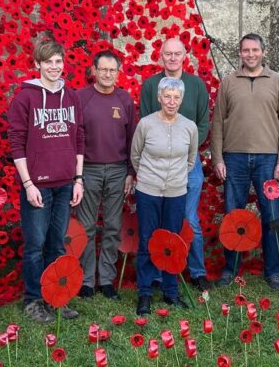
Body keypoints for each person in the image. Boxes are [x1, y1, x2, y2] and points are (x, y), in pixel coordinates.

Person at [8, 39, 84, 324]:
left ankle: (55, 297)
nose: (54, 67)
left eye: (58, 61)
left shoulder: (72, 97)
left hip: (65, 183)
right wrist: (28, 184)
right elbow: (16, 143)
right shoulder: (24, 98)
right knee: (35, 244)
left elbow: (78, 138)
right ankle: (33, 300)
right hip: (37, 184)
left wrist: (78, 179)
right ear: (37, 65)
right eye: (48, 62)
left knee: (56, 244)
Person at [211, 33, 279, 289]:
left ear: (263, 52)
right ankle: (230, 268)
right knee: (233, 216)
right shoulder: (228, 82)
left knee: (271, 216)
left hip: (268, 159)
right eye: (245, 50)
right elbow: (217, 123)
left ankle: (273, 271)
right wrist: (218, 158)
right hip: (234, 158)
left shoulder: (278, 81)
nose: (250, 54)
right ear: (240, 53)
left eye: (255, 50)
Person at [139, 37, 212, 290]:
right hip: (157, 166)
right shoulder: (150, 85)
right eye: (167, 54)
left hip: (188, 163)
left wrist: (187, 152)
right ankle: (159, 274)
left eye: (177, 53)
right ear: (161, 56)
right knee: (160, 222)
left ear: (185, 55)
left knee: (189, 219)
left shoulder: (197, 86)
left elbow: (203, 123)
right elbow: (145, 123)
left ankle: (197, 271)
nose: (172, 58)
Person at [131, 77, 199, 315]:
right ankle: (145, 293)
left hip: (176, 192)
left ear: (182, 100)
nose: (172, 102)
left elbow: (191, 160)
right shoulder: (146, 124)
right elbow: (136, 156)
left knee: (173, 242)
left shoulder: (189, 127)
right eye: (167, 96)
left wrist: (174, 178)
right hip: (148, 190)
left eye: (176, 97)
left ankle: (171, 292)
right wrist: (151, 177)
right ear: (159, 97)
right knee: (148, 239)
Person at [75, 50, 137, 300]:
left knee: (112, 226)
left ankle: (107, 280)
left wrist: (131, 172)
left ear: (118, 72)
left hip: (117, 170)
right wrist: (76, 174)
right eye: (103, 69)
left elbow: (133, 137)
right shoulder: (81, 98)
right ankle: (87, 281)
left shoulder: (124, 100)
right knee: (86, 226)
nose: (108, 74)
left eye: (112, 70)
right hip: (88, 169)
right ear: (93, 71)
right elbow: (74, 135)